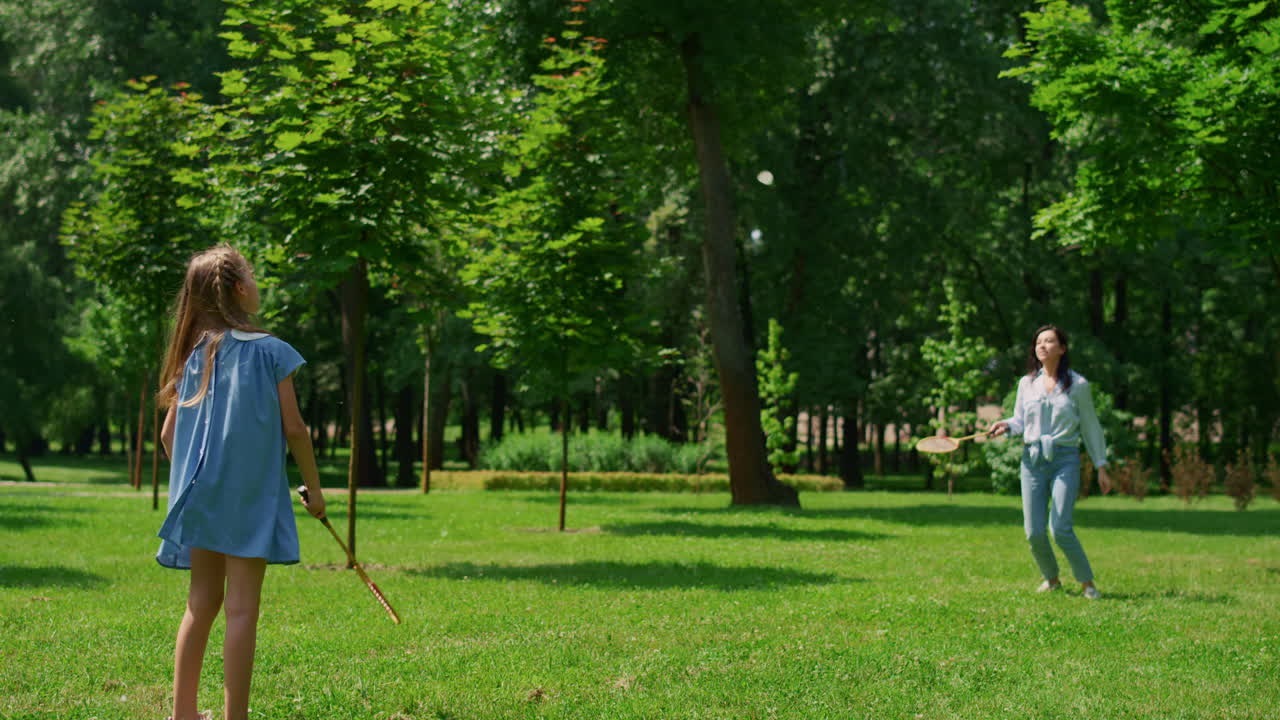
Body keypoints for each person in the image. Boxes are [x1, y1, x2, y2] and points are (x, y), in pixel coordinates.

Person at [155, 244, 326, 720]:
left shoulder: (194, 355)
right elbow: (296, 430)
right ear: (236, 288)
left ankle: (183, 714)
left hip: (202, 501)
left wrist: (200, 480)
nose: (255, 282)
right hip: (248, 503)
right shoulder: (273, 352)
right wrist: (315, 491)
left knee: (200, 605)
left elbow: (169, 435)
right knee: (242, 610)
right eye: (250, 274)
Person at [988, 325, 1112, 600]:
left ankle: (1087, 583)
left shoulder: (1078, 386)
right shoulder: (1026, 383)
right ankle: (1052, 579)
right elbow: (1020, 421)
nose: (1042, 345)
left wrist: (1101, 465)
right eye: (1038, 342)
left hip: (1064, 459)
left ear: (1062, 348)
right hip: (1031, 460)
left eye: (1049, 341)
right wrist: (1005, 426)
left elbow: (1091, 427)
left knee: (1060, 527)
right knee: (1033, 531)